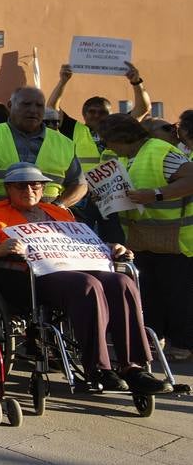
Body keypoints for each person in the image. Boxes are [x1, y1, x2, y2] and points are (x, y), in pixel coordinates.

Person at [0, 162, 170, 394]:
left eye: (35, 185)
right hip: (29, 278)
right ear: (8, 189)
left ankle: (133, 367)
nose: (29, 191)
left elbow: (83, 243)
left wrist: (111, 247)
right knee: (88, 286)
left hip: (72, 267)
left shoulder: (60, 213)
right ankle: (98, 367)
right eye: (20, 186)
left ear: (43, 188)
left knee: (122, 282)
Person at [97, 114, 193, 361]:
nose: (107, 146)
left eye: (107, 140)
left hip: (177, 239)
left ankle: (183, 345)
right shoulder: (129, 158)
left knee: (176, 295)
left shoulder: (158, 151)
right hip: (146, 239)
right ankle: (156, 337)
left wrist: (156, 195)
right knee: (151, 292)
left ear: (121, 138)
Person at [0, 87, 87, 209]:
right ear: (10, 105)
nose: (33, 110)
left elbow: (80, 185)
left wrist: (58, 206)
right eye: (26, 104)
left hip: (44, 224)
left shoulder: (63, 143)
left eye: (39, 105)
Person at [47, 61, 152, 174]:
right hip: (83, 189)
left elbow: (143, 108)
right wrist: (63, 81)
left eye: (102, 112)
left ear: (110, 114)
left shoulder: (120, 126)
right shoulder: (74, 129)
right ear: (84, 114)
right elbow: (51, 108)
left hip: (117, 187)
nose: (97, 115)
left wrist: (136, 82)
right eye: (92, 112)